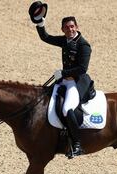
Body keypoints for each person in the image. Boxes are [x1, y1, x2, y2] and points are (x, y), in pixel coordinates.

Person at [34, 15, 92, 158]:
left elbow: (82, 69)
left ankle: (77, 144)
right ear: (63, 29)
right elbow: (46, 38)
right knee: (44, 99)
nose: (70, 29)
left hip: (77, 81)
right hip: (64, 79)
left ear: (77, 27)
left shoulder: (84, 45)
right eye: (66, 27)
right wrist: (41, 24)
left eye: (72, 26)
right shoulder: (65, 40)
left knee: (67, 108)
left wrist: (63, 72)